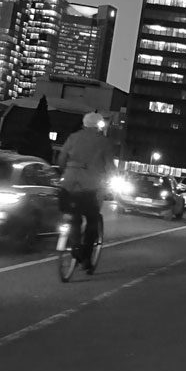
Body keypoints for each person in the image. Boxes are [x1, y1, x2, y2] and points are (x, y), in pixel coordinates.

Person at [56, 112, 115, 273]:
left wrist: (65, 173)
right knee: (92, 221)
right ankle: (86, 258)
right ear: (98, 126)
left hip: (68, 185)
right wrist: (111, 179)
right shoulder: (103, 142)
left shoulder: (73, 137)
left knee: (72, 216)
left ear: (84, 124)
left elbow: (61, 159)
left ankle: (74, 244)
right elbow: (110, 166)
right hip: (89, 187)